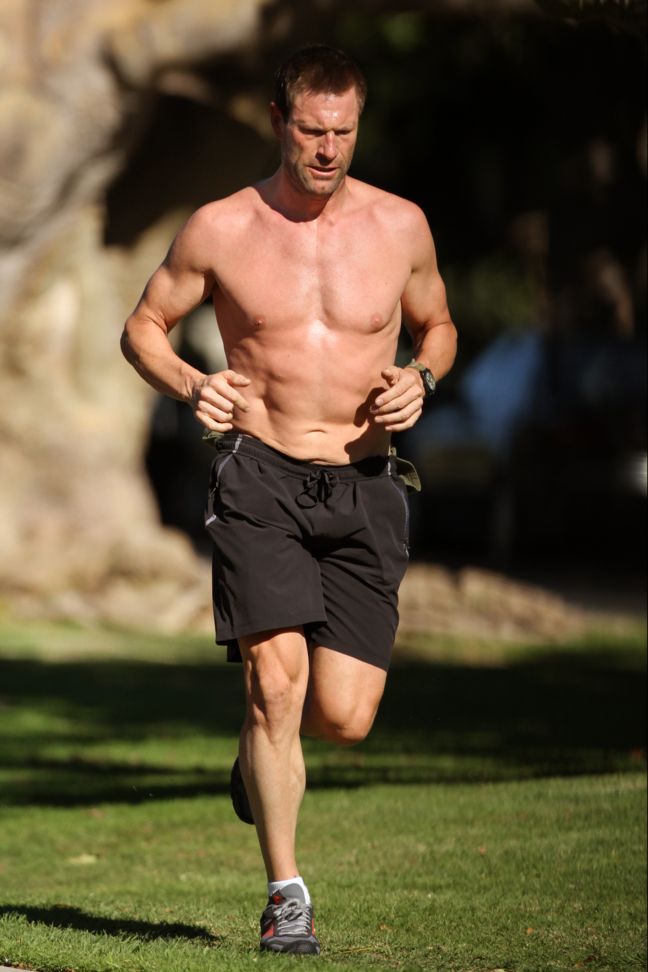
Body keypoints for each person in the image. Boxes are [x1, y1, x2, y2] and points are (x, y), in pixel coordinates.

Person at [121, 44, 457, 956]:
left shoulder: (401, 226)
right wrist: (193, 385)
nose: (328, 150)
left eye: (343, 132)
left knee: (343, 717)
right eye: (311, 131)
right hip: (259, 473)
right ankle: (286, 895)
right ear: (279, 122)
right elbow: (143, 327)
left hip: (366, 482)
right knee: (276, 683)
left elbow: (438, 323)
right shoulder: (222, 228)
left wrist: (423, 377)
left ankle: (257, 757)